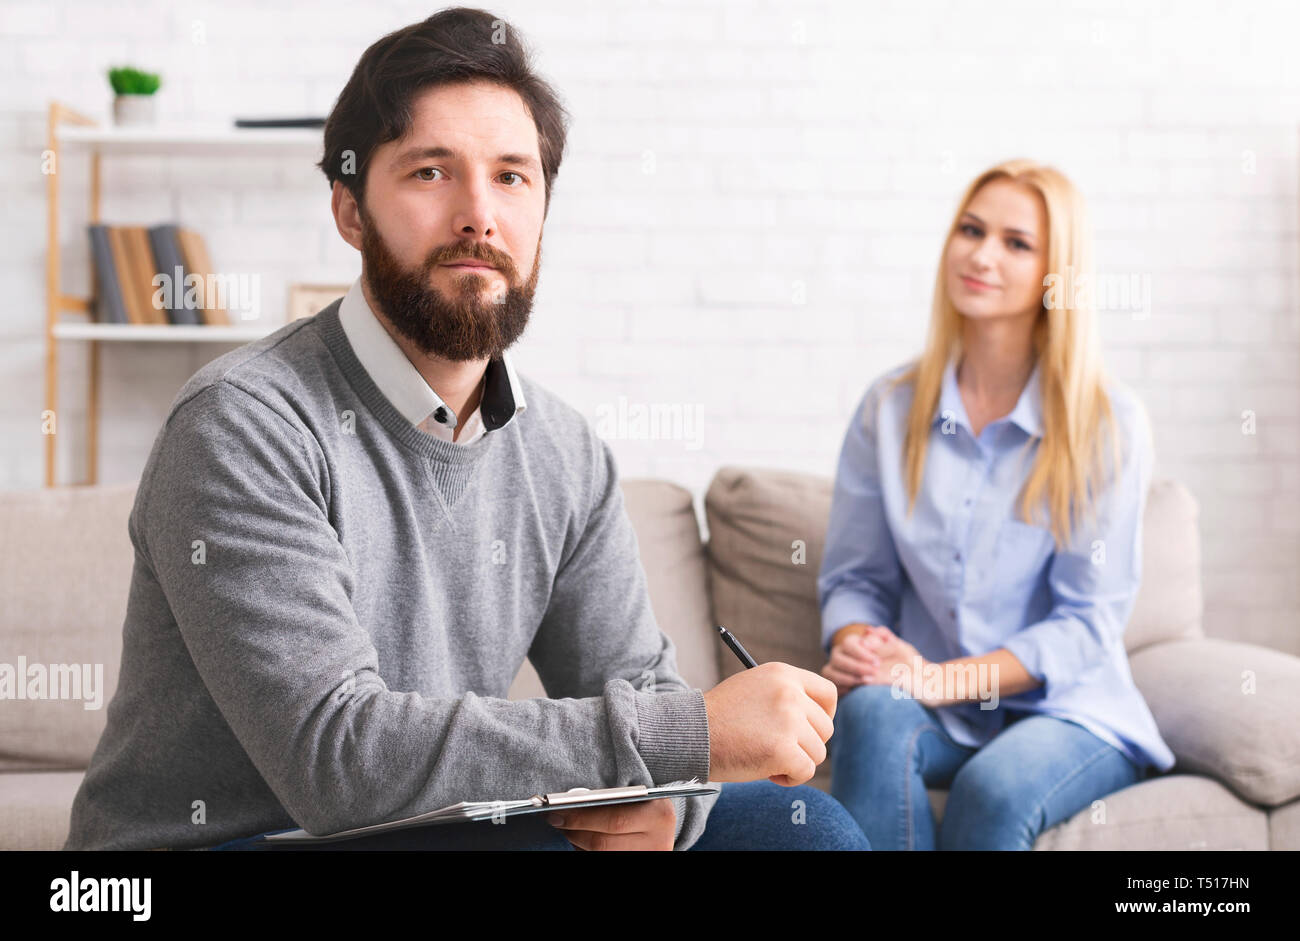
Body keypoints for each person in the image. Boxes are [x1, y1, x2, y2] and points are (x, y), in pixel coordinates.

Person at [64, 8, 867, 853]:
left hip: (437, 829)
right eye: (430, 172)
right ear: (349, 209)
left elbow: (640, 690)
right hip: (227, 845)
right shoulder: (242, 423)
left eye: (512, 177)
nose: (478, 214)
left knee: (799, 829)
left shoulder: (563, 452)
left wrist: (667, 805)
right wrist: (681, 738)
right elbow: (340, 761)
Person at [817, 158, 1175, 851]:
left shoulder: (1107, 423)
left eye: (1017, 242)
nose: (981, 254)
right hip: (938, 705)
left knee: (993, 788)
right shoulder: (890, 408)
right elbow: (857, 579)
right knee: (867, 711)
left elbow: (1085, 622)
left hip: (1067, 708)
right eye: (971, 229)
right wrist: (857, 643)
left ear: (1056, 272)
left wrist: (938, 677)